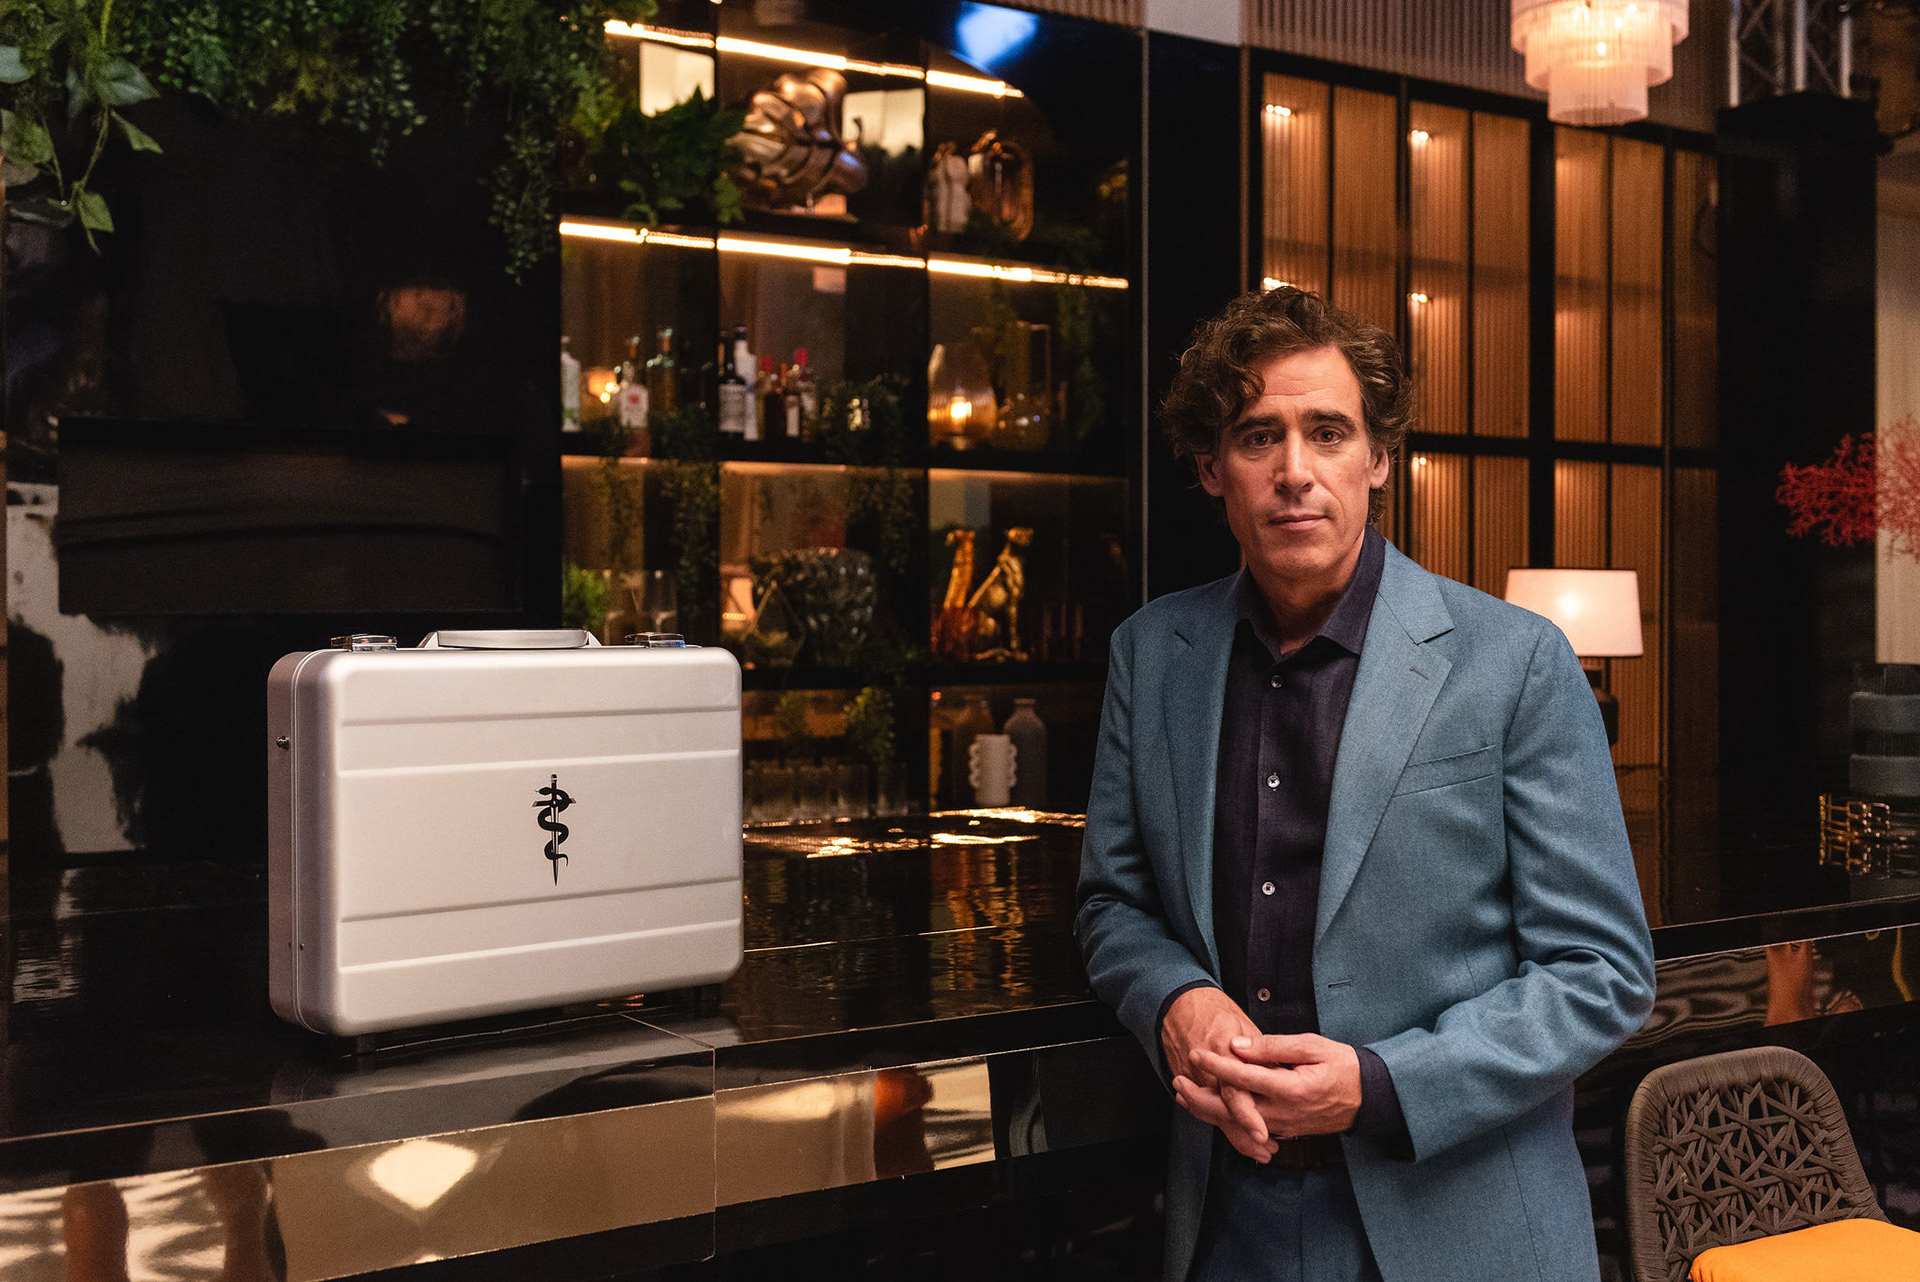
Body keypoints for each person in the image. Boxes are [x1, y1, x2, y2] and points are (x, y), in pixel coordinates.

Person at [1076, 286, 1656, 1282]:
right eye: (1258, 436)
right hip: (1229, 1216)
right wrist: (1174, 998)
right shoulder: (1152, 654)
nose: (1295, 472)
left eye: (1328, 431)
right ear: (1212, 469)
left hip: (1458, 1221)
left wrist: (1381, 1084)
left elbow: (1601, 971)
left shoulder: (1514, 661)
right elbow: (1112, 903)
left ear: (1379, 457)